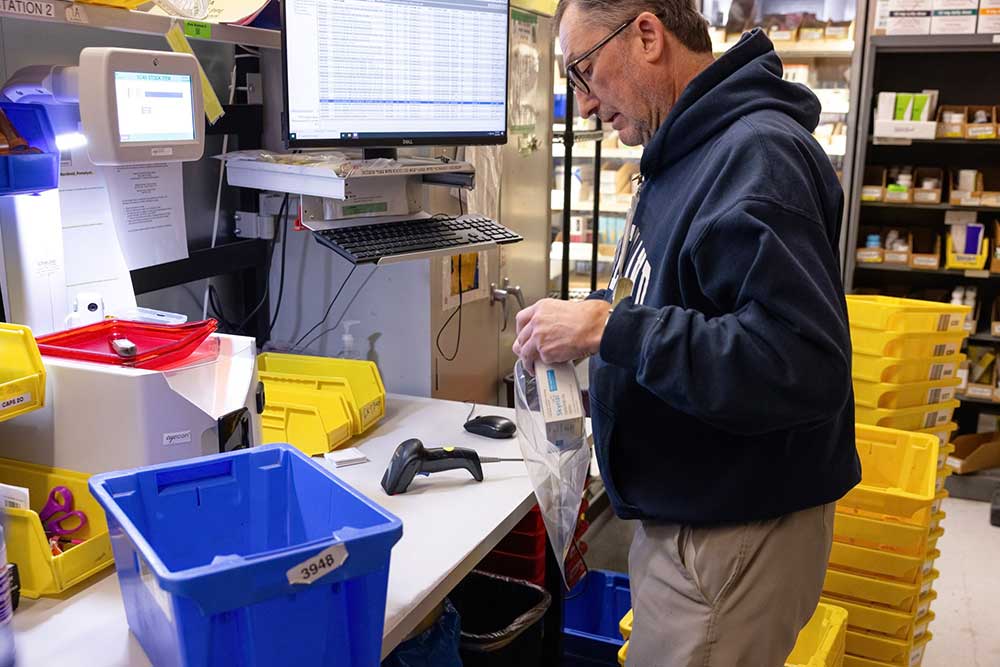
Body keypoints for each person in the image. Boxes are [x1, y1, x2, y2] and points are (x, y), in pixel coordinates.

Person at [513, 1, 861, 665]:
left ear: (646, 34)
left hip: (729, 536)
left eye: (584, 72)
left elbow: (799, 362)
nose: (583, 106)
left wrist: (611, 327)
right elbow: (686, 296)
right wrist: (591, 323)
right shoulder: (682, 148)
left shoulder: (755, 155)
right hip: (691, 520)